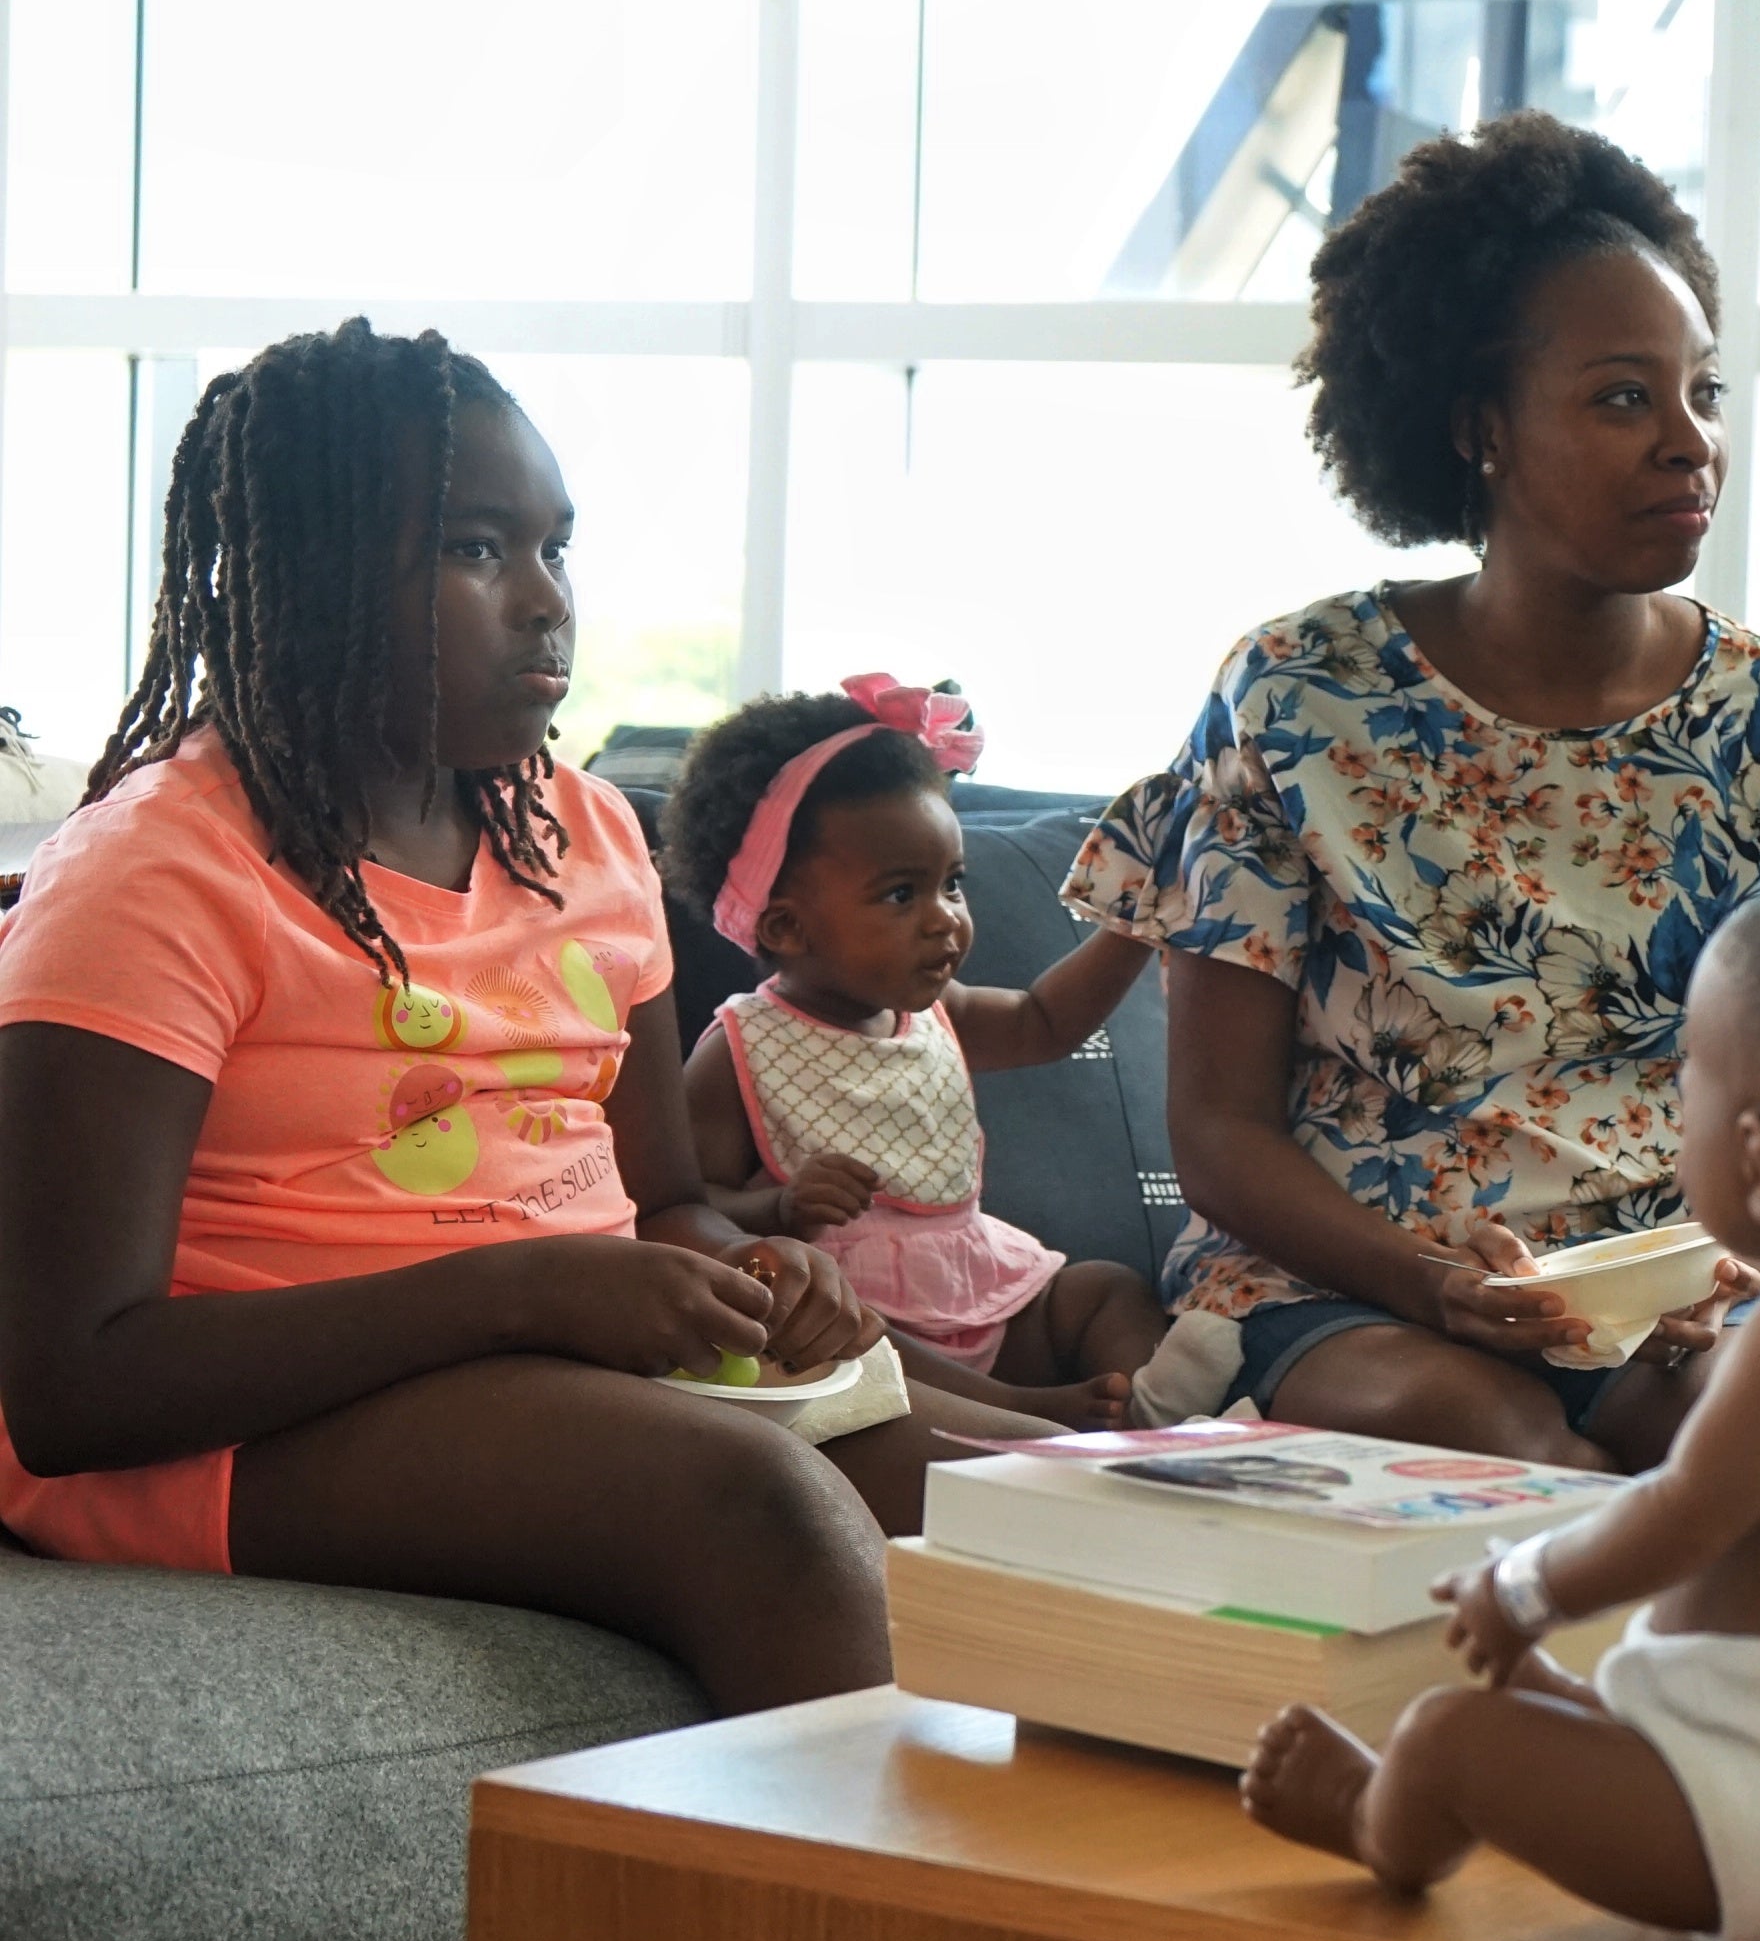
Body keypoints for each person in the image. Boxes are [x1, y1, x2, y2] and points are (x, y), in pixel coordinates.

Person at [0, 323, 1045, 1715]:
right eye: (476, 549)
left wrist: (761, 1272)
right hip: (232, 1428)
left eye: (556, 547)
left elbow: (666, 1203)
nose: (547, 601)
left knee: (1039, 1508)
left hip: (547, 1355)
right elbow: (70, 1389)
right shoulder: (154, 872)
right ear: (308, 572)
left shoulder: (589, 836)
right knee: (765, 1511)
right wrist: (522, 1292)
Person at [1070, 113, 1760, 1470]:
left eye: (1704, 393)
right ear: (1482, 429)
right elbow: (1219, 1131)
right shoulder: (1295, 696)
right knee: (1494, 1443)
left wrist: (1753, 1260)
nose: (1689, 443)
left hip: (1685, 1290)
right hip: (1359, 1285)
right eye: (1622, 398)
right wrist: (1433, 1283)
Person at [1240, 848, 1760, 1941]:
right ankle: (1573, 1712)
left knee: (1446, 1733)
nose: (1672, 1120)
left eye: (1686, 1090)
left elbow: (1686, 1513)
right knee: (1595, 1689)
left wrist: (1523, 1588)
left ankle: (1373, 1819)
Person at [664, 677, 1170, 1428]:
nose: (945, 920)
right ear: (786, 927)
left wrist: (1135, 921)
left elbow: (1044, 1021)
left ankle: (1163, 1415)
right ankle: (1015, 1414)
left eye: (952, 885)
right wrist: (780, 1206)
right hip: (855, 1323)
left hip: (981, 1289)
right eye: (902, 895)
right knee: (834, 1323)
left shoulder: (937, 1011)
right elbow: (689, 1205)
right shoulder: (740, 1049)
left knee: (1105, 1290)